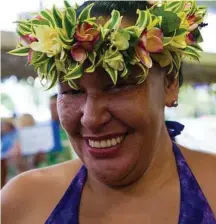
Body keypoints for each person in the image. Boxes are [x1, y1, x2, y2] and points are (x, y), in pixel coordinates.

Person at [2, 1, 216, 224]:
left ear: (170, 84)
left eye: (118, 86)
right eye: (72, 91)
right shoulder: (22, 204)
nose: (92, 118)